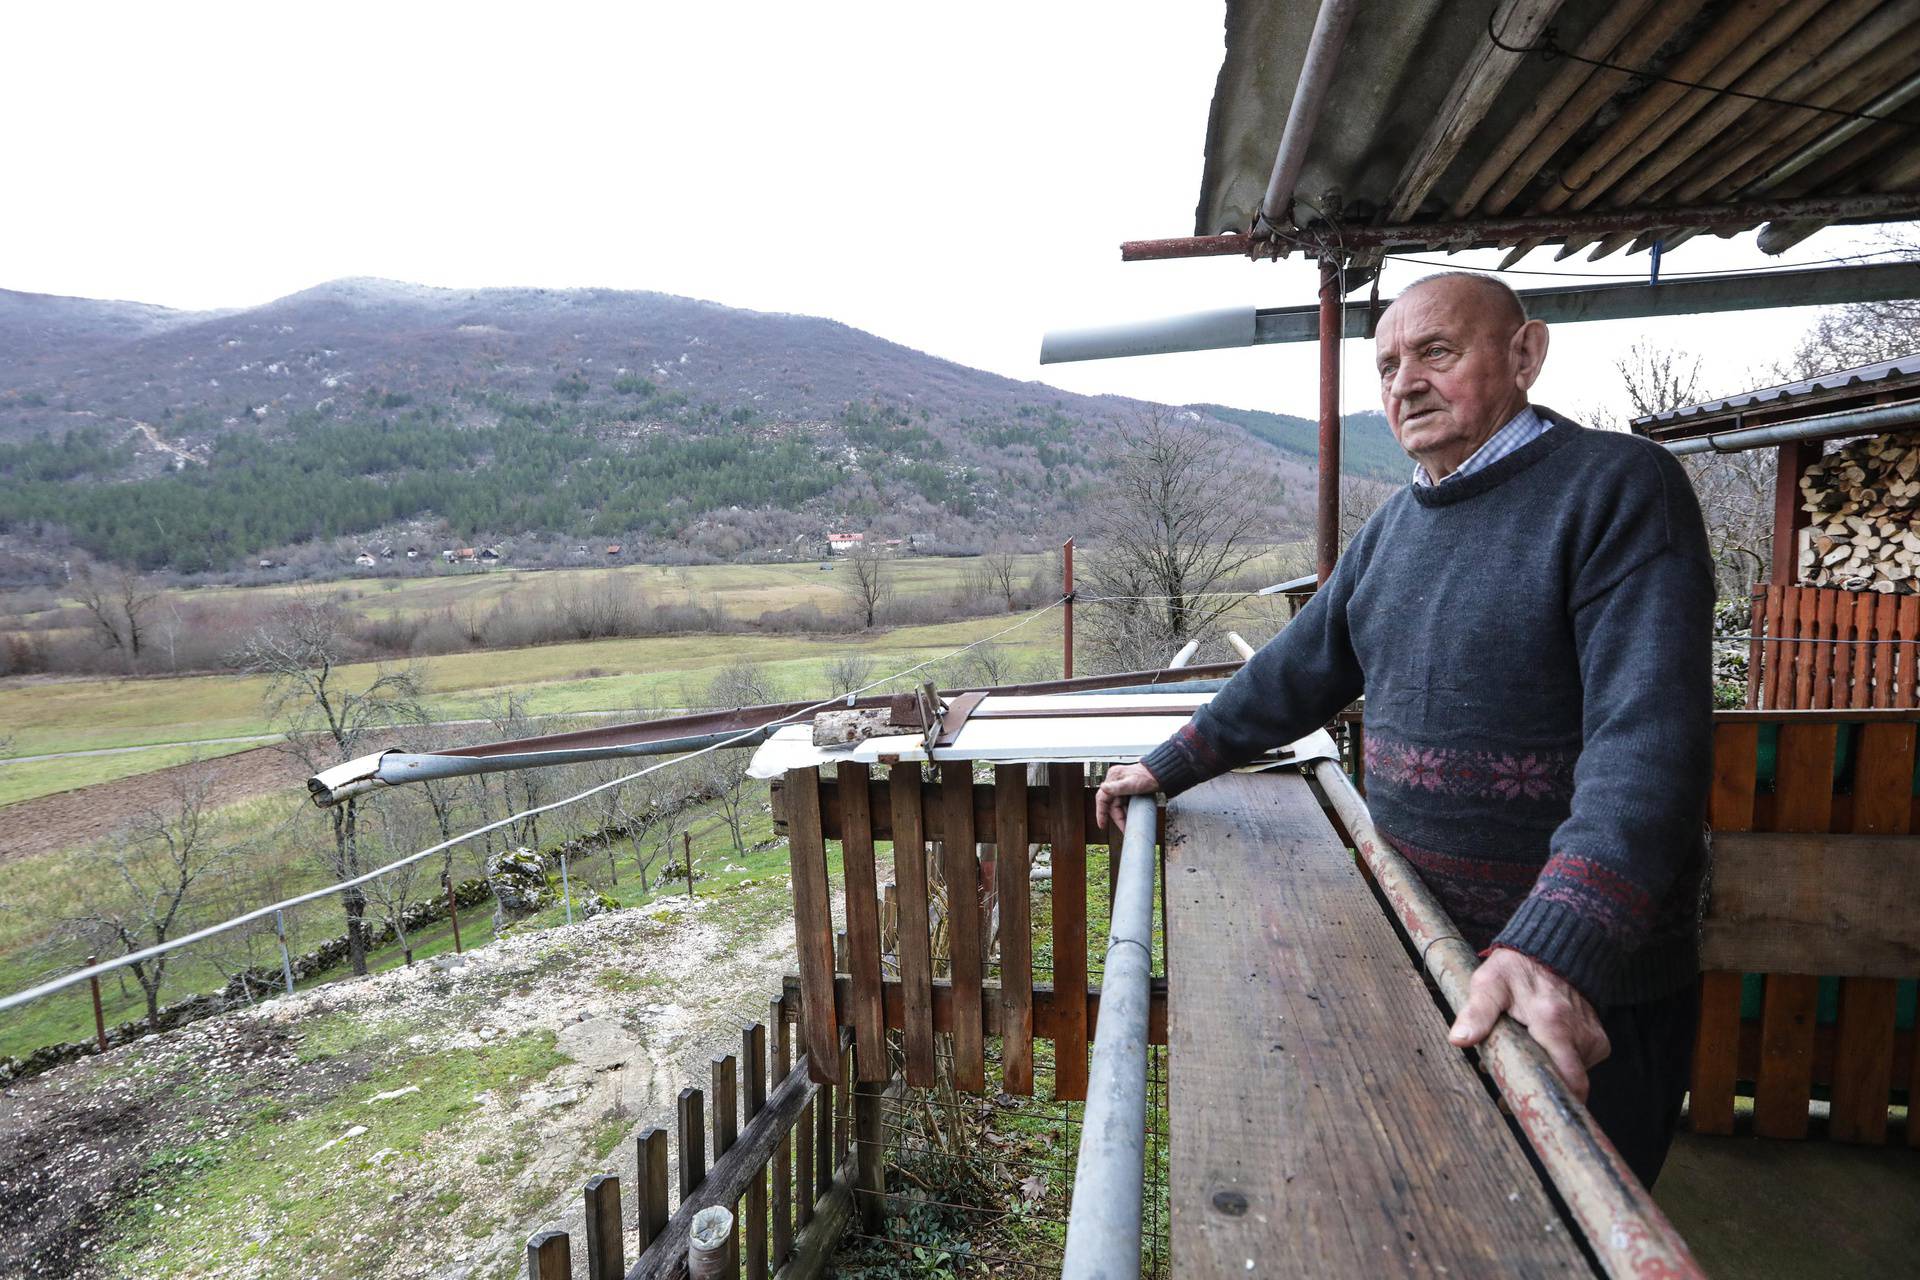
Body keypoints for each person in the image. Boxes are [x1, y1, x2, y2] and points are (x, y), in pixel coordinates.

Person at [1094, 272, 1712, 1187]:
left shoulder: (1619, 490)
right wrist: (1169, 764)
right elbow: (1294, 671)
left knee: (1570, 1228)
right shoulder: (1395, 529)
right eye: (1386, 366)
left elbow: (1647, 743)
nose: (1404, 384)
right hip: (1433, 949)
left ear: (1524, 354)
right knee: (1448, 1198)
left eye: (1436, 352)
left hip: (1577, 985)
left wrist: (1553, 946)